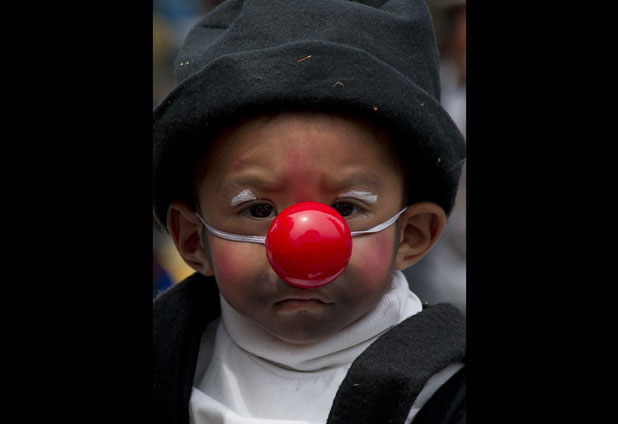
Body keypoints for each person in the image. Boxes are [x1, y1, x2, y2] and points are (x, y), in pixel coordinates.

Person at [153, 1, 466, 423]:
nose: (303, 254)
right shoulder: (166, 362)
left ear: (412, 234)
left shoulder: (448, 395)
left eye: (346, 207)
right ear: (194, 240)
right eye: (258, 208)